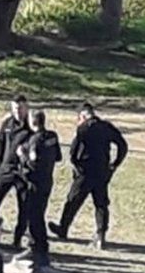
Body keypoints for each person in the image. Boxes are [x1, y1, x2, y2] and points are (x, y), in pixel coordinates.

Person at [50, 103, 128, 250]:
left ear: (82, 116)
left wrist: (76, 167)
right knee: (101, 204)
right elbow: (122, 145)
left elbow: (73, 151)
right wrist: (114, 164)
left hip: (85, 172)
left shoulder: (83, 128)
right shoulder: (106, 127)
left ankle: (63, 228)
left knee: (73, 200)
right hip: (102, 171)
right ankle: (101, 235)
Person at [17, 110, 62, 271]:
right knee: (38, 213)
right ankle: (34, 246)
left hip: (35, 182)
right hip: (47, 180)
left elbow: (32, 164)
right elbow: (58, 157)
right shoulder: (52, 136)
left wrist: (22, 155)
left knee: (34, 217)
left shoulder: (34, 141)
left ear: (33, 122)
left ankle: (40, 250)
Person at [0, 96, 31, 240]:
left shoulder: (31, 125)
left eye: (21, 108)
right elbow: (1, 146)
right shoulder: (7, 124)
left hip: (23, 172)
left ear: (26, 108)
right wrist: (0, 166)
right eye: (15, 108)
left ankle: (18, 237)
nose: (18, 111)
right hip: (7, 169)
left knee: (24, 205)